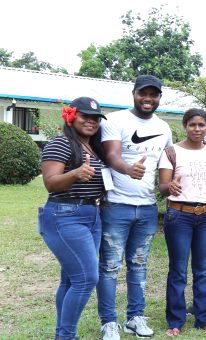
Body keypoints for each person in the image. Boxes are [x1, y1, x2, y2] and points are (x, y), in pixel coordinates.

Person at [98, 75, 173, 340]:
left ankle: (135, 318)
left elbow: (171, 159)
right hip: (116, 205)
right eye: (144, 93)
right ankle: (109, 322)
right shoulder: (115, 120)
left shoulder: (164, 128)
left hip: (147, 208)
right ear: (134, 93)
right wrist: (128, 168)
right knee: (109, 266)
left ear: (159, 98)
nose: (148, 99)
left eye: (154, 95)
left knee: (139, 265)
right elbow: (112, 155)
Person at [159, 109, 206, 337]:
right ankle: (175, 320)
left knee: (203, 270)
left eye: (201, 125)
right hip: (179, 216)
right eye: (192, 125)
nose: (197, 129)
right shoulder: (171, 152)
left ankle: (204, 318)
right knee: (178, 270)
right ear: (185, 126)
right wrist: (169, 187)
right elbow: (163, 187)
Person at [39, 97, 107, 340]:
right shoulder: (61, 143)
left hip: (91, 215)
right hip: (64, 215)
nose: (91, 121)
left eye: (96, 118)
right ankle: (66, 336)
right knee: (87, 278)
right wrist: (76, 173)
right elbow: (50, 183)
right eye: (85, 116)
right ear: (71, 117)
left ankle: (63, 334)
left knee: (70, 279)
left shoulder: (93, 147)